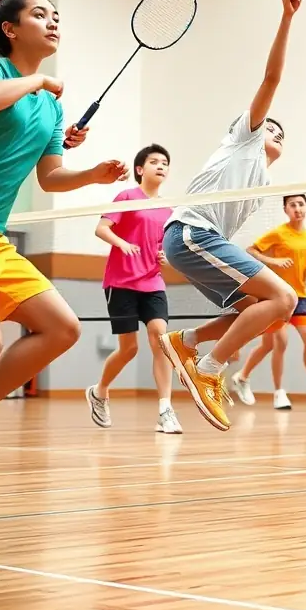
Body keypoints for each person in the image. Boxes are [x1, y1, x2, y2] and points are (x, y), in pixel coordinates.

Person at [0, 0, 128, 521]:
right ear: (10, 29)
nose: (53, 23)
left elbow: (51, 178)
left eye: (57, 15)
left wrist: (94, 176)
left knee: (61, 328)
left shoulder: (51, 106)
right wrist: (38, 82)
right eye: (40, 14)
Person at [160, 0, 303, 432]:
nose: (275, 135)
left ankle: (187, 341)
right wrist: (287, 16)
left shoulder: (261, 178)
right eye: (271, 130)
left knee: (256, 311)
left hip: (199, 239)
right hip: (190, 233)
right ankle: (209, 369)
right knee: (284, 298)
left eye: (284, 136)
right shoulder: (244, 140)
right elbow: (272, 78)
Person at [86, 144, 182, 434]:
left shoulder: (169, 209)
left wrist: (168, 256)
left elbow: (167, 245)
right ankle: (99, 391)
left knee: (161, 340)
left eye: (165, 162)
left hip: (153, 281)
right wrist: (121, 243)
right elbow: (102, 228)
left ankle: (165, 409)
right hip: (121, 282)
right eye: (154, 161)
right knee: (129, 349)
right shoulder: (126, 196)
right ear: (140, 169)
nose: (161, 166)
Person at [230, 195, 306, 409]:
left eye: (301, 204)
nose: (298, 208)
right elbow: (251, 250)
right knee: (279, 343)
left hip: (301, 297)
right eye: (293, 205)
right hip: (276, 296)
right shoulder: (278, 233)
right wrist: (274, 260)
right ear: (286, 209)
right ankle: (278, 392)